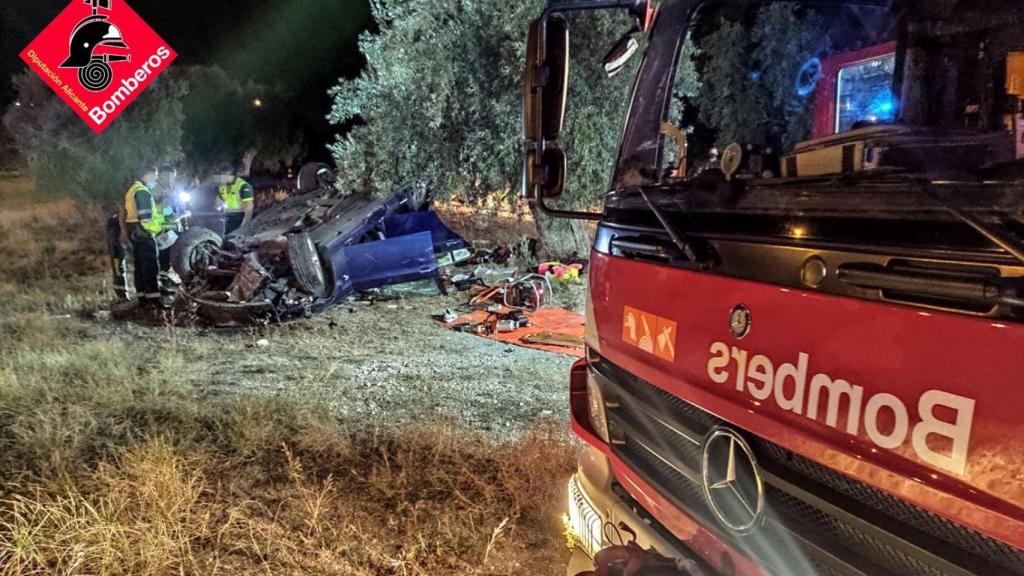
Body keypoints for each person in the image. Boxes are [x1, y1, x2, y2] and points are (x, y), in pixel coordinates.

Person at [123, 165, 164, 306]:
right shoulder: (142, 191)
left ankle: (142, 297)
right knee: (150, 265)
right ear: (147, 175)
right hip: (143, 231)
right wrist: (158, 229)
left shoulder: (133, 189)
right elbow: (146, 219)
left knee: (139, 265)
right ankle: (153, 299)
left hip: (133, 229)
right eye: (154, 176)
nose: (155, 179)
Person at [214, 163, 254, 232]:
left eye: (221, 176)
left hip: (241, 218)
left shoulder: (243, 186)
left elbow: (249, 210)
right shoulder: (221, 186)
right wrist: (218, 204)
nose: (219, 179)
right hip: (228, 218)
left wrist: (243, 227)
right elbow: (219, 201)